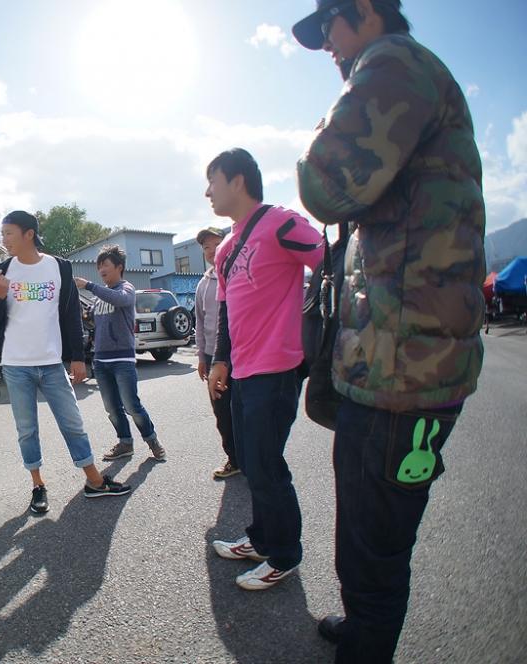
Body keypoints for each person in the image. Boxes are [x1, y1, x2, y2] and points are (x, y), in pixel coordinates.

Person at [293, 1, 486, 659]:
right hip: (413, 361)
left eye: (329, 28)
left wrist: (334, 108)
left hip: (400, 372)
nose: (326, 47)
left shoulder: (390, 62)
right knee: (374, 534)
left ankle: (367, 645)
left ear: (367, 12)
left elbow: (322, 181)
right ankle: (365, 628)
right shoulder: (416, 74)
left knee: (374, 543)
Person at [204, 148, 324, 591]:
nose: (207, 191)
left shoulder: (282, 222)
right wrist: (220, 360)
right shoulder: (227, 247)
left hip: (277, 370)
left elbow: (330, 267)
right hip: (241, 372)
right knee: (251, 462)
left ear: (237, 180)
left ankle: (285, 555)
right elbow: (226, 312)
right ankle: (261, 539)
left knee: (267, 465)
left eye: (212, 180)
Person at [0, 211, 132, 514]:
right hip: (16, 364)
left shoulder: (59, 267)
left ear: (29, 234)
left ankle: (94, 481)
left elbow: (70, 315)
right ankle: (38, 485)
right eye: (3, 234)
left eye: (9, 233)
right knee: (27, 429)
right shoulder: (2, 270)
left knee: (73, 423)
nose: (4, 240)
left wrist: (77, 357)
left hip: (51, 362)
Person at [73, 245, 166, 463]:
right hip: (101, 360)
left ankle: (152, 441)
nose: (101, 270)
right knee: (112, 408)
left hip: (122, 359)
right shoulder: (98, 296)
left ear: (119, 267)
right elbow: (94, 321)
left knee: (131, 405)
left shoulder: (127, 288)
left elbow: (120, 300)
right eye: (99, 266)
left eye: (105, 265)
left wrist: (89, 286)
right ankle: (125, 443)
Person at [193, 226, 240, 480]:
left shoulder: (237, 273)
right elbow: (199, 322)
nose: (211, 251)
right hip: (212, 357)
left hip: (240, 355)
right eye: (206, 248)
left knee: (244, 410)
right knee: (221, 412)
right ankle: (234, 459)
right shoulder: (203, 284)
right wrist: (202, 356)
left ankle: (253, 458)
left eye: (215, 245)